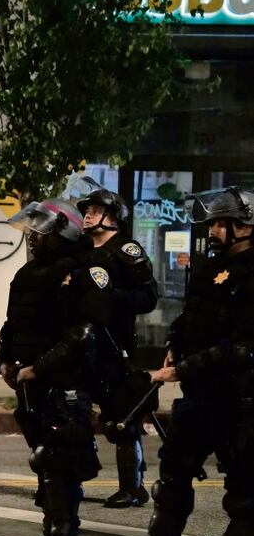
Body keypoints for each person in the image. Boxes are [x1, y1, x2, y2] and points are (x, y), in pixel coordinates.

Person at [112, 187, 254, 536]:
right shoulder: (212, 268)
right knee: (171, 481)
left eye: (219, 223)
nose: (212, 230)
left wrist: (182, 368)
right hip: (199, 396)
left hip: (240, 398)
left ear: (243, 225)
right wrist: (174, 344)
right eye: (211, 223)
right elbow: (189, 317)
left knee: (245, 495)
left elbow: (243, 345)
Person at [0, 198, 112, 536]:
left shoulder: (83, 270)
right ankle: (50, 533)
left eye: (40, 230)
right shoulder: (29, 273)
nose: (31, 237)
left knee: (61, 458)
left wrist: (40, 368)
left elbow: (82, 334)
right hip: (31, 384)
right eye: (31, 230)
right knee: (44, 460)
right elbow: (12, 324)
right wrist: (5, 360)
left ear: (63, 233)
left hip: (66, 380)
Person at [76, 188, 159, 509]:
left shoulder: (126, 250)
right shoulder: (80, 250)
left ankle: (132, 487)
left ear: (112, 216)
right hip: (81, 344)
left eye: (95, 210)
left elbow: (148, 298)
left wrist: (111, 296)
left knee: (120, 417)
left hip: (114, 345)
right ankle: (74, 479)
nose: (88, 214)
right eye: (87, 210)